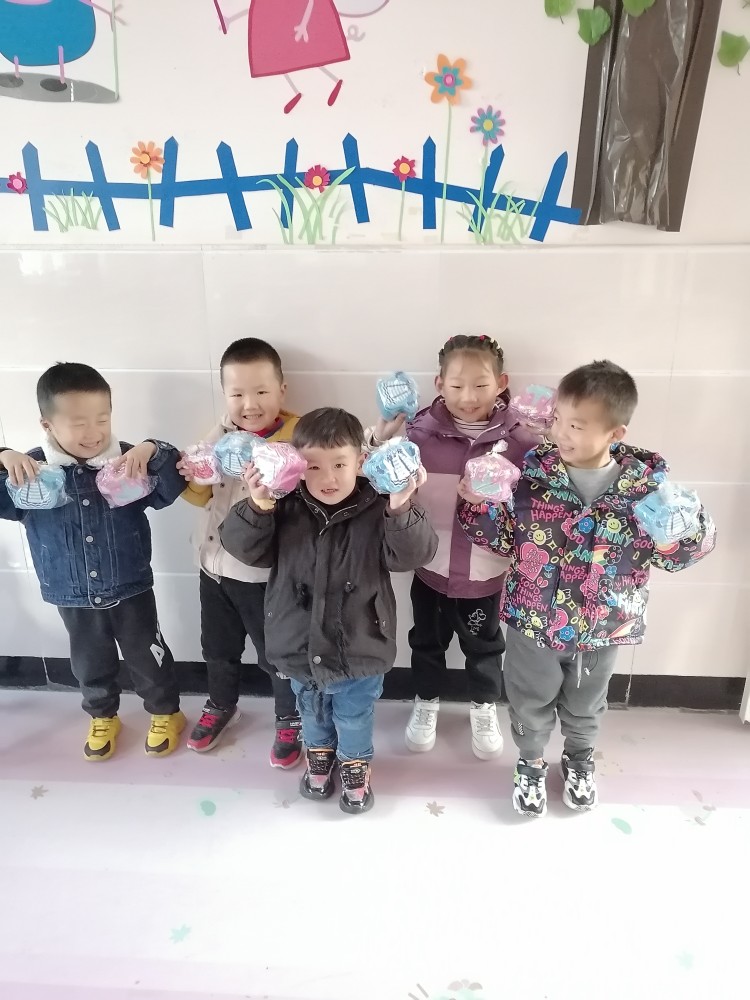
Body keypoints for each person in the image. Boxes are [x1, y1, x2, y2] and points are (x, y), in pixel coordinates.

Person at [457, 360, 716, 817]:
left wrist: (681, 532)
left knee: (586, 703)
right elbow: (500, 539)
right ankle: (530, 762)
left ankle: (579, 760)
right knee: (529, 698)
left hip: (602, 627)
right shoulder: (528, 478)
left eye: (576, 426)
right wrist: (476, 505)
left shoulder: (646, 493)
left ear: (615, 433)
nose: (561, 432)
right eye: (558, 419)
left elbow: (678, 555)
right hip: (533, 620)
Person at [220, 407, 438, 814]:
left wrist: (400, 506)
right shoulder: (284, 504)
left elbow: (413, 555)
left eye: (339, 464)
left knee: (354, 715)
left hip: (360, 643)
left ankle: (355, 763)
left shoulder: (379, 505)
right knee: (311, 711)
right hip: (297, 643)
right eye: (314, 466)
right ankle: (319, 753)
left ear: (361, 461)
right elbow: (246, 550)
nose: (328, 478)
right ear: (297, 465)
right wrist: (258, 504)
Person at [0, 362, 186, 760]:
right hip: (70, 592)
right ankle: (103, 716)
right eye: (78, 423)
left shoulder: (128, 461)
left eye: (102, 419)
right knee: (89, 663)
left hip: (130, 584)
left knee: (148, 656)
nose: (94, 432)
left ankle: (166, 712)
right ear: (47, 424)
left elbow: (171, 485)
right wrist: (3, 456)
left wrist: (152, 449)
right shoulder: (32, 471)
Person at [368, 335, 538, 759]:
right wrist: (380, 438)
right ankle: (426, 701)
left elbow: (536, 505)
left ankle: (483, 706)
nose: (468, 396)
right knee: (426, 643)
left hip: (486, 573)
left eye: (481, 385)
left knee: (484, 647)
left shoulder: (520, 442)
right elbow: (377, 478)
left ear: (501, 383)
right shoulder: (419, 434)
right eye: (457, 385)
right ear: (439, 384)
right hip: (430, 569)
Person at [179, 337, 303, 767]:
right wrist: (200, 464)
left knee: (276, 653)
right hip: (213, 567)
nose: (249, 405)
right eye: (237, 394)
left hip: (263, 576)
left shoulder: (297, 439)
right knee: (217, 647)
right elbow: (196, 497)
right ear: (224, 396)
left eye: (262, 391)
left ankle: (289, 716)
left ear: (282, 391)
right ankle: (221, 703)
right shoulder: (220, 437)